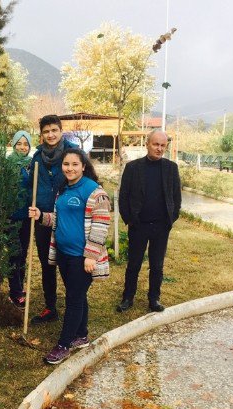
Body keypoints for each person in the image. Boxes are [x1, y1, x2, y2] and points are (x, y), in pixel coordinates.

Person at [29, 148, 110, 364]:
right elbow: (58, 219)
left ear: (84, 166)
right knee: (77, 294)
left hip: (81, 258)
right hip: (64, 254)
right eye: (66, 164)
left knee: (73, 299)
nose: (70, 168)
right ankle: (81, 334)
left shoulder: (94, 192)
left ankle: (63, 345)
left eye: (75, 164)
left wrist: (91, 256)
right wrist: (41, 216)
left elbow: (101, 226)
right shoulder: (63, 189)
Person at [116, 129, 181, 313]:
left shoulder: (171, 168)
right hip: (139, 226)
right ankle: (127, 298)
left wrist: (171, 219)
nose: (159, 148)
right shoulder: (133, 167)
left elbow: (176, 198)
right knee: (134, 264)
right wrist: (129, 219)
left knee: (157, 265)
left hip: (161, 227)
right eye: (156, 144)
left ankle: (154, 299)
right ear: (147, 144)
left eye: (163, 145)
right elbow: (124, 196)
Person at [27, 114, 75, 324]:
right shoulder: (37, 157)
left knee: (68, 263)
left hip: (67, 218)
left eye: (54, 130)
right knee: (47, 263)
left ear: (61, 131)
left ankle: (75, 307)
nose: (51, 135)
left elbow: (88, 181)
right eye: (46, 131)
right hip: (42, 217)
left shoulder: (73, 152)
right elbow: (31, 184)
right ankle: (51, 307)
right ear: (42, 134)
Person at [7, 130, 33, 308]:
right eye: (19, 144)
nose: (22, 147)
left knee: (23, 253)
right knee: (14, 254)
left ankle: (20, 286)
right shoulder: (8, 164)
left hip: (27, 216)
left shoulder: (32, 165)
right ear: (14, 145)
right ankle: (14, 292)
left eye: (26, 144)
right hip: (11, 217)